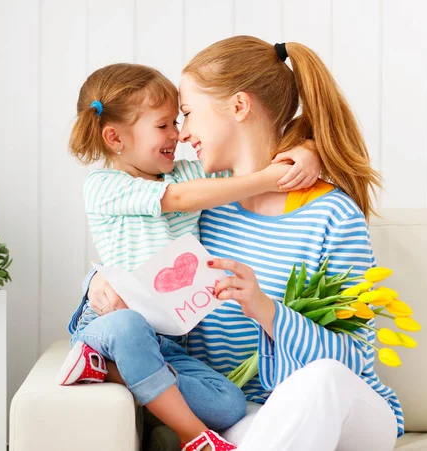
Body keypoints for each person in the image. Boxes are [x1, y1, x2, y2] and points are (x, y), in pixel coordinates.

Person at [84, 37, 403, 451]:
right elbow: (135, 252)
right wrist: (100, 287)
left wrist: (266, 311)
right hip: (252, 417)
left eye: (186, 114)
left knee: (322, 378)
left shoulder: (331, 215)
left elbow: (356, 359)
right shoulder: (201, 211)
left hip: (350, 410)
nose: (182, 136)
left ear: (238, 107)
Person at [59, 62, 321, 450]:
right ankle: (193, 437)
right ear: (115, 138)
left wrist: (309, 150)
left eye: (177, 122)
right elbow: (178, 201)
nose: (178, 134)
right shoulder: (104, 186)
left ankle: (115, 371)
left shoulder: (184, 173)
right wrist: (269, 178)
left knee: (230, 404)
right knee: (129, 325)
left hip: (167, 342)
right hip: (109, 324)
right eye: (163, 126)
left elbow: (247, 156)